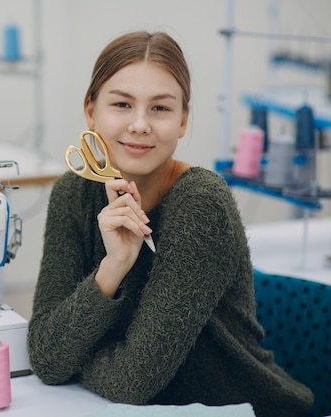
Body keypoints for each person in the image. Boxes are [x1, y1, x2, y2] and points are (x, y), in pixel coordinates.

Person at [27, 30, 314, 417]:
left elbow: (130, 382)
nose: (140, 124)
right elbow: (45, 356)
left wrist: (73, 359)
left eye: (160, 108)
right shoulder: (73, 193)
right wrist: (112, 268)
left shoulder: (200, 203)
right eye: (122, 104)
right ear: (91, 111)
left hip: (238, 408)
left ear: (183, 120)